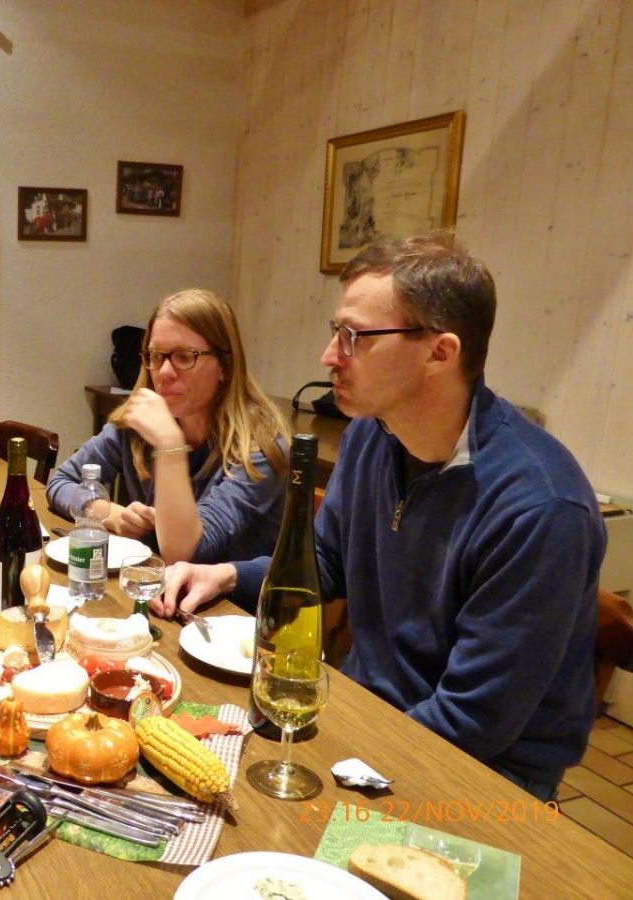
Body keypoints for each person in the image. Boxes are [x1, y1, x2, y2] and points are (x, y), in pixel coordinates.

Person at [154, 234, 604, 801]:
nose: (329, 355)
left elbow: (472, 724)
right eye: (335, 331)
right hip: (363, 711)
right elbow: (327, 561)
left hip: (482, 780)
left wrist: (340, 766)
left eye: (354, 337)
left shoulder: (540, 509)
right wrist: (226, 575)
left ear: (440, 353)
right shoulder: (372, 434)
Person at [47, 288, 289, 565]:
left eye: (184, 357)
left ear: (225, 365)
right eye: (155, 356)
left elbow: (188, 550)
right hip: (154, 582)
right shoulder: (138, 423)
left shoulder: (260, 447)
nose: (163, 372)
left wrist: (169, 445)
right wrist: (109, 514)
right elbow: (60, 481)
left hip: (227, 594)